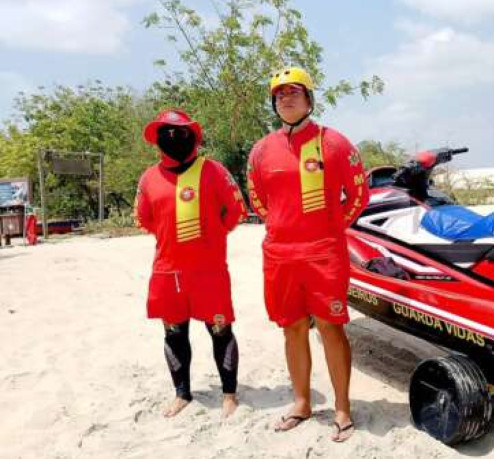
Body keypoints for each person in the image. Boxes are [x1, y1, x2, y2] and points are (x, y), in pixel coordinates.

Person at [246, 67, 369, 442]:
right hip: (280, 256)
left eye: (294, 91)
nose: (286, 98)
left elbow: (359, 195)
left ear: (310, 98)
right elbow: (257, 198)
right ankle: (301, 402)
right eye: (279, 93)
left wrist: (329, 229)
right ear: (273, 102)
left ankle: (343, 408)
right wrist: (285, 230)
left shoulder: (335, 143)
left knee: (331, 328)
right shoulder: (262, 150)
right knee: (292, 328)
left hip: (324, 255)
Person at [135, 109, 247, 418]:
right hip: (167, 272)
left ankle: (229, 394)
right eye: (165, 133)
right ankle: (182, 393)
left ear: (193, 136)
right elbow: (144, 218)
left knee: (221, 331)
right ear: (157, 141)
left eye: (179, 132)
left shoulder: (214, 170)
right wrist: (172, 239)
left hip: (209, 271)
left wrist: (212, 235)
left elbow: (236, 210)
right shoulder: (148, 178)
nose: (172, 138)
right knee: (173, 334)